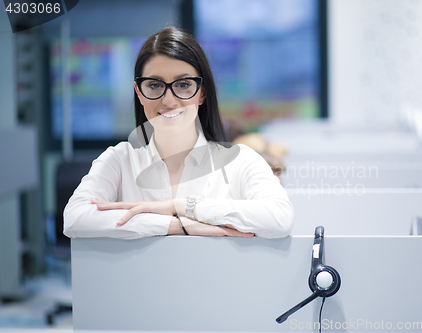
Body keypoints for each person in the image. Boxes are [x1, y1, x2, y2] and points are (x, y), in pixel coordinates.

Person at [63, 27, 294, 239]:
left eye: (183, 84)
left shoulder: (240, 160)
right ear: (139, 92)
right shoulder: (119, 160)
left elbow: (279, 217)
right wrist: (177, 226)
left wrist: (183, 207)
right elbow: (75, 218)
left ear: (202, 92)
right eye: (154, 85)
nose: (169, 100)